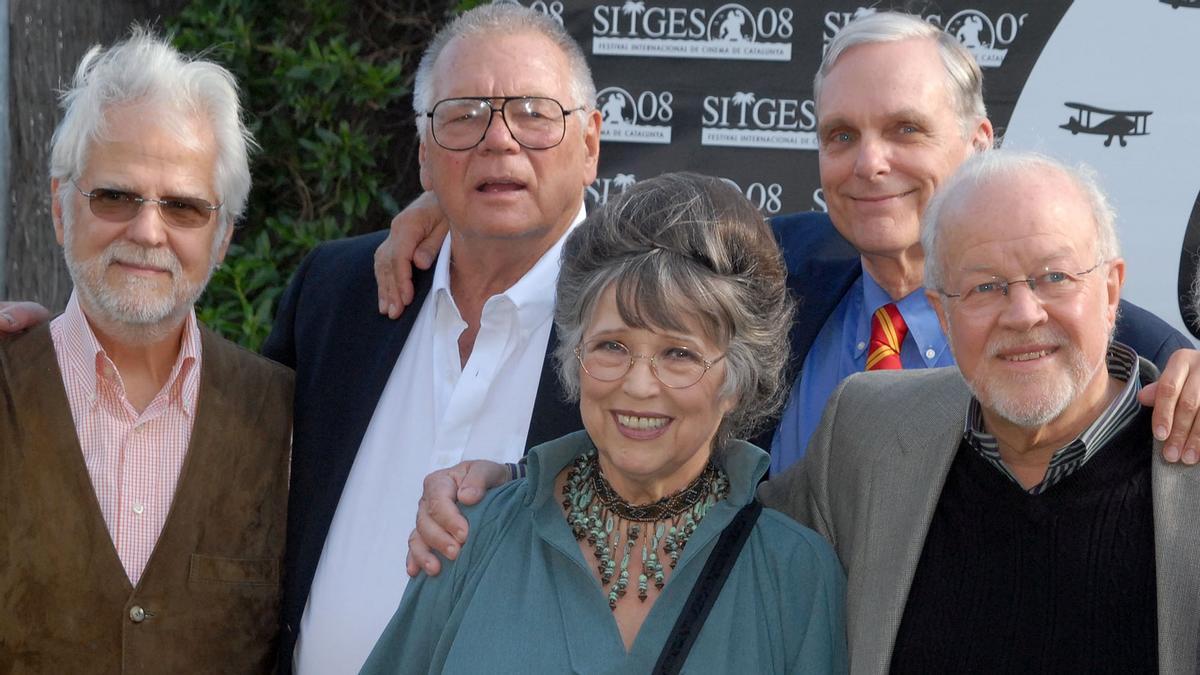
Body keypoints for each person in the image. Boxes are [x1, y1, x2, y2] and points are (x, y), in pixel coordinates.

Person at [374, 11, 1198, 473]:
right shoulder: (775, 266)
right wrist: (460, 209)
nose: (870, 163)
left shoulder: (1070, 324)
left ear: (981, 139)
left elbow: (1140, 354)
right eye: (841, 135)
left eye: (904, 129)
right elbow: (619, 259)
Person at [360, 172, 847, 674]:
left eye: (678, 354)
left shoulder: (795, 575)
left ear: (737, 380)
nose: (638, 385)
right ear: (575, 356)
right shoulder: (471, 534)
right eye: (612, 346)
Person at [761, 150, 1200, 672]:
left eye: (1054, 276)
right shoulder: (864, 430)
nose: (1022, 314)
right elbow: (732, 549)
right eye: (985, 287)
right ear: (943, 314)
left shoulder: (1187, 457)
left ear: (1110, 291)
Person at [260, 5, 601, 673]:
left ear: (589, 142)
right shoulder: (338, 292)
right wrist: (57, 344)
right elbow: (226, 448)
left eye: (533, 111)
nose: (498, 139)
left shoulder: (652, 321)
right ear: (424, 152)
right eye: (464, 114)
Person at [0, 30, 292, 672]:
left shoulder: (287, 421)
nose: (147, 230)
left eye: (184, 207)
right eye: (114, 196)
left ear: (220, 240)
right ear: (58, 209)